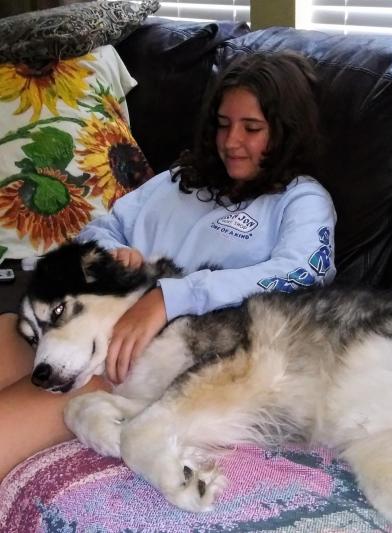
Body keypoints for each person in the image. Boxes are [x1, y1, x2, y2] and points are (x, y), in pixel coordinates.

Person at [0, 51, 336, 480]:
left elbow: (303, 273)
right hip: (70, 320)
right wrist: (115, 254)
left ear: (287, 133)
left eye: (252, 128)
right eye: (222, 124)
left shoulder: (301, 199)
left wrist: (171, 297)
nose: (231, 141)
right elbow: (102, 227)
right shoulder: (183, 179)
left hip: (146, 360)